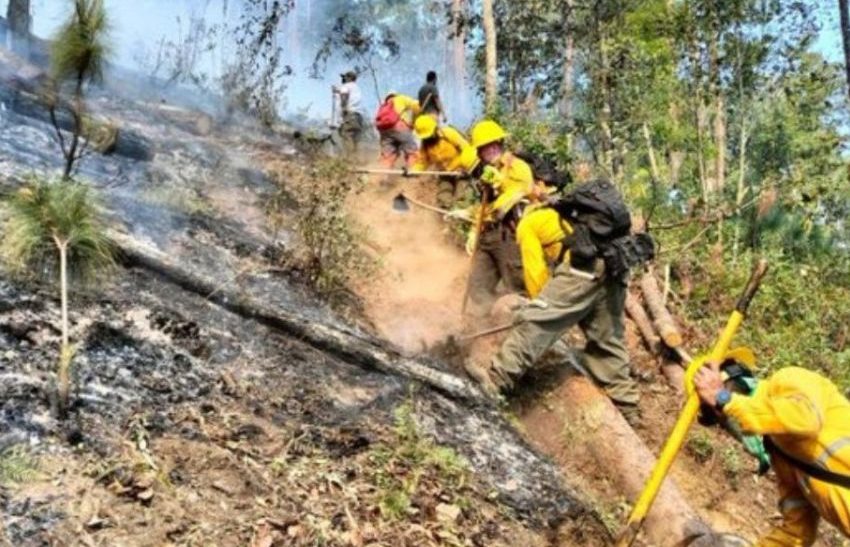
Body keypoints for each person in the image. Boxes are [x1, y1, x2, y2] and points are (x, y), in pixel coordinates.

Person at [464, 189, 643, 424]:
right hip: (616, 263)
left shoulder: (527, 225)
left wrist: (537, 304)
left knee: (540, 321)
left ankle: (496, 379)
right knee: (607, 338)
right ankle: (627, 406)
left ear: (511, 217)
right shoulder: (559, 216)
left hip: (584, 268)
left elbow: (534, 271)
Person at [694, 355, 850, 546]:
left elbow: (805, 420)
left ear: (730, 382)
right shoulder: (781, 453)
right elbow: (797, 533)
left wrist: (724, 400)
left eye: (714, 411)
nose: (725, 421)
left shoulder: (788, 380)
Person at [450, 119, 538, 318]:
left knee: (517, 285)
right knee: (477, 286)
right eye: (483, 148)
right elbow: (487, 207)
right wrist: (471, 217)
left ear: (500, 143)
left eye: (492, 145)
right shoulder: (488, 174)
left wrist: (499, 184)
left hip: (509, 233)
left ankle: (519, 329)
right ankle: (486, 327)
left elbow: (519, 193)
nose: (489, 151)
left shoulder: (517, 166)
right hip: (488, 236)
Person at [410, 115, 479, 207]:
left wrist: (465, 166)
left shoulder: (448, 133)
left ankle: (461, 214)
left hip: (461, 170)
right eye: (425, 137)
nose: (428, 138)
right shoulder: (425, 146)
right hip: (445, 174)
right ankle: (447, 216)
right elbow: (422, 162)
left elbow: (466, 148)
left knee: (462, 195)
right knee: (443, 198)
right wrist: (413, 171)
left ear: (434, 129)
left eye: (429, 134)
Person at [375, 92, 420, 169]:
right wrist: (414, 120)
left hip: (384, 132)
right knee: (412, 151)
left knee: (387, 156)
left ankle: (380, 177)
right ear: (395, 95)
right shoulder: (400, 98)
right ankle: (412, 172)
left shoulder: (383, 106)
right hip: (400, 128)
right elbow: (417, 106)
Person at [332, 70, 364, 155]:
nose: (343, 79)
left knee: (346, 134)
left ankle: (350, 160)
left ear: (349, 78)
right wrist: (337, 91)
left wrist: (343, 109)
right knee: (355, 138)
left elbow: (344, 96)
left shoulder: (346, 86)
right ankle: (357, 158)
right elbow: (348, 94)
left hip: (350, 114)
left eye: (344, 77)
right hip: (358, 116)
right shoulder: (356, 88)